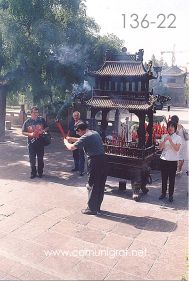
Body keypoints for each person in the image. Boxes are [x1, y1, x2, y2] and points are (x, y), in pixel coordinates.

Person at [64, 122, 107, 215]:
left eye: (78, 132)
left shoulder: (86, 137)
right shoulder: (94, 133)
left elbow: (71, 147)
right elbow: (82, 139)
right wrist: (71, 138)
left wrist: (66, 142)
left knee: (92, 184)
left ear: (80, 130)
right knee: (100, 184)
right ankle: (97, 207)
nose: (78, 134)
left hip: (94, 161)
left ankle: (91, 209)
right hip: (103, 160)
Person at [22, 106, 49, 179]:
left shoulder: (41, 120)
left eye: (37, 112)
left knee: (40, 158)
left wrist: (43, 131)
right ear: (31, 113)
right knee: (32, 159)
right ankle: (33, 173)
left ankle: (40, 172)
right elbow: (23, 132)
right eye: (34, 112)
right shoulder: (27, 122)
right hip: (31, 144)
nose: (36, 114)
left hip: (40, 143)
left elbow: (47, 127)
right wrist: (30, 134)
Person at [159, 120, 182, 202]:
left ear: (175, 128)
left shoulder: (178, 138)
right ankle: (163, 193)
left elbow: (177, 149)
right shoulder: (164, 135)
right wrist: (165, 140)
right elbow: (160, 148)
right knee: (164, 178)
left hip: (172, 161)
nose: (170, 128)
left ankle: (171, 195)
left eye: (172, 126)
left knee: (172, 179)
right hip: (164, 160)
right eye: (169, 126)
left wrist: (171, 141)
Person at [67, 111, 85, 176]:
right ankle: (76, 167)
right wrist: (68, 138)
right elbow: (69, 130)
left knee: (81, 155)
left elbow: (84, 132)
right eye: (74, 116)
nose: (75, 117)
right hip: (73, 141)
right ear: (73, 116)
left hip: (80, 141)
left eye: (77, 115)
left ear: (79, 116)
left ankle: (81, 170)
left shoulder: (81, 123)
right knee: (75, 155)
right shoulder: (71, 123)